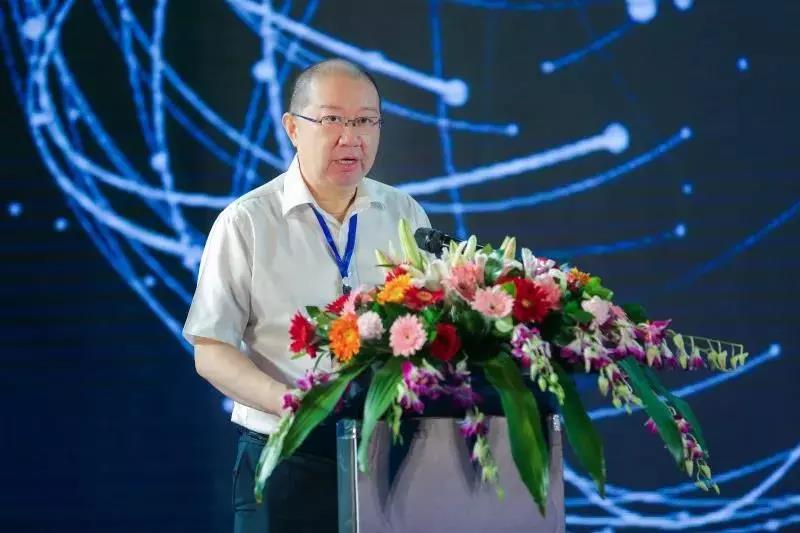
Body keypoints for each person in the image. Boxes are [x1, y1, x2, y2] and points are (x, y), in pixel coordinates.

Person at [182, 58, 431, 532]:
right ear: (293, 128)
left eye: (366, 121)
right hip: (284, 455)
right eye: (332, 119)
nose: (351, 137)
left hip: (387, 456)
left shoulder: (404, 214)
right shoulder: (247, 222)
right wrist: (294, 403)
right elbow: (210, 350)